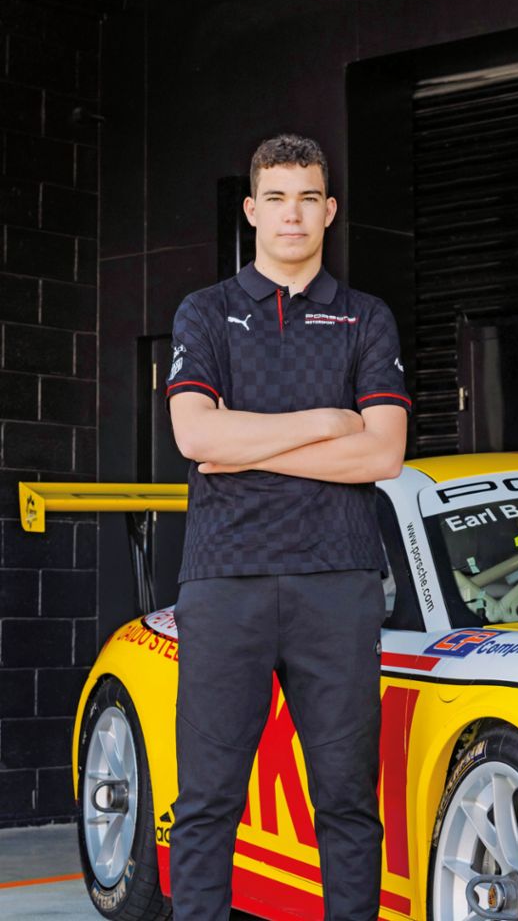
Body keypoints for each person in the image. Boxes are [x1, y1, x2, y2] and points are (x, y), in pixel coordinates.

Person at [165, 133, 411, 921]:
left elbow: (384, 456)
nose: (292, 214)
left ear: (330, 209)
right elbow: (198, 439)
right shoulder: (204, 312)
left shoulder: (366, 319)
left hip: (336, 582)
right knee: (206, 800)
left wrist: (252, 446)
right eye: (276, 198)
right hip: (223, 580)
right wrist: (324, 423)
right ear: (252, 210)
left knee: (345, 799)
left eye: (308, 197)